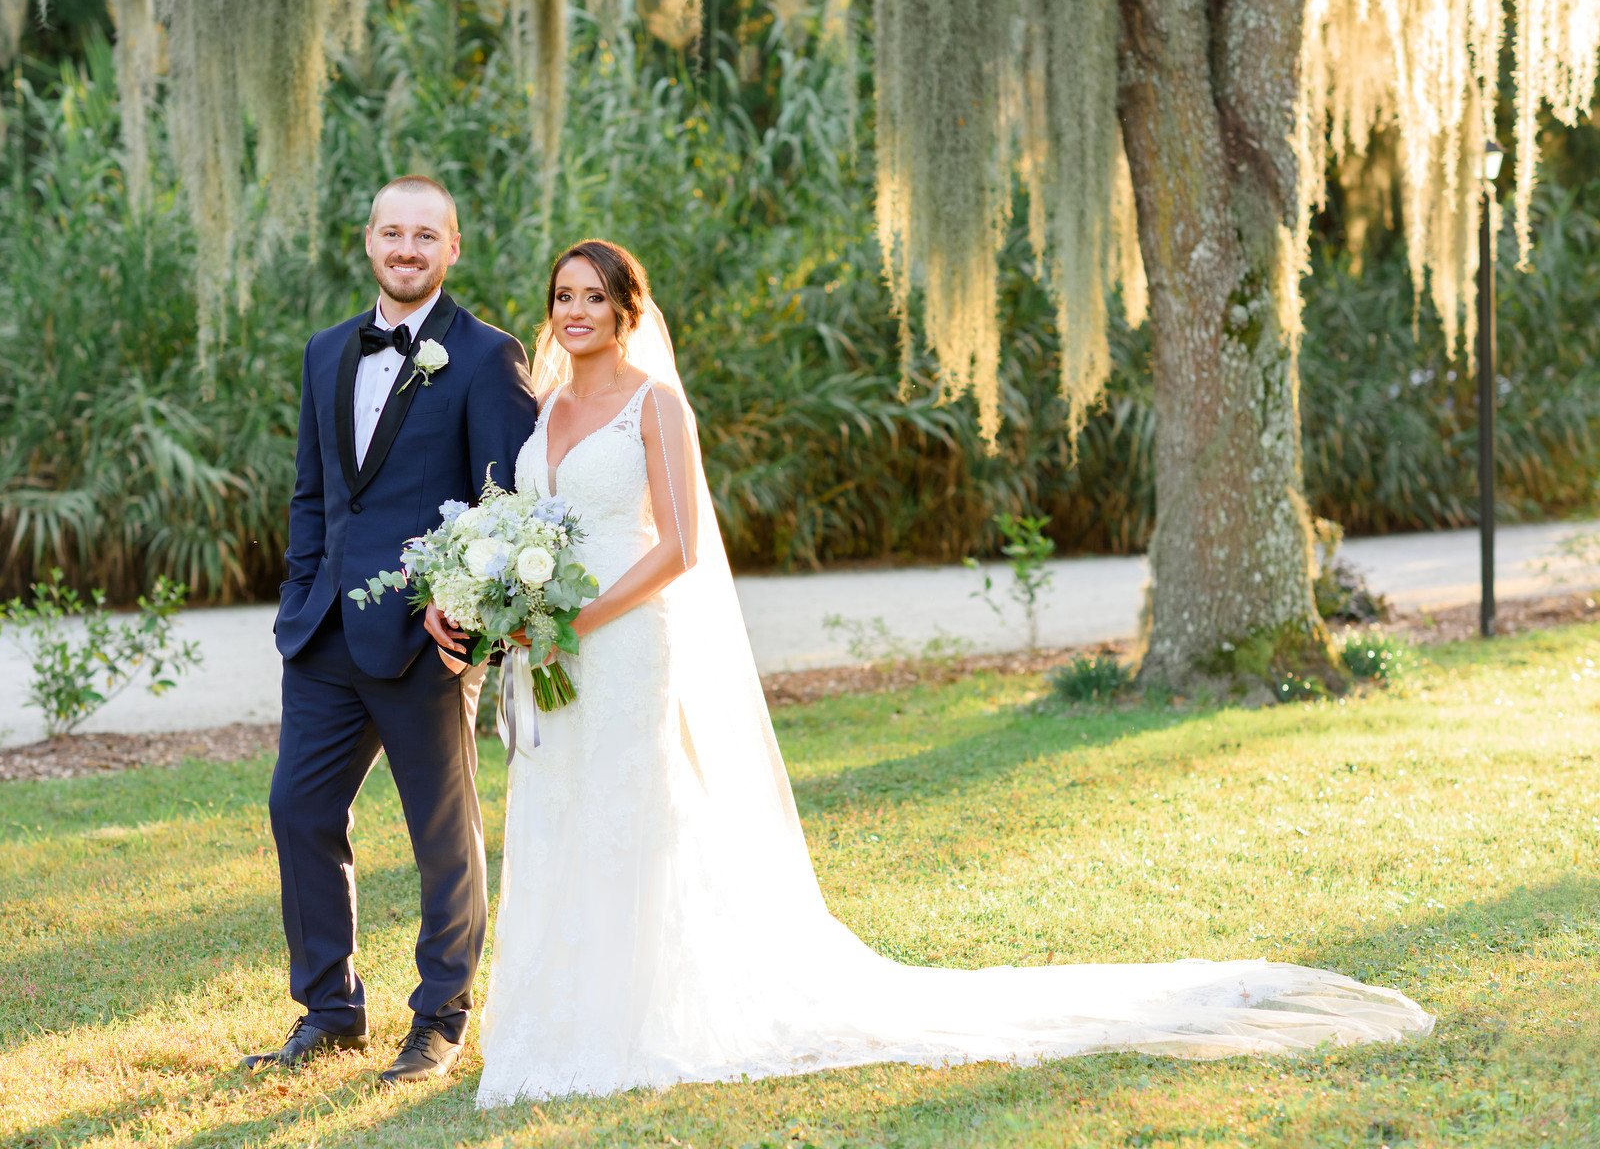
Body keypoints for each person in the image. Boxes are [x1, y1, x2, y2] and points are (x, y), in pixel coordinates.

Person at [471, 240, 1434, 1106]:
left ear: (628, 310)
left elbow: (680, 546)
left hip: (627, 639)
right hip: (550, 651)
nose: (573, 313)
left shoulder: (657, 403)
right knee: (558, 808)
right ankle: (555, 1013)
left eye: (594, 297)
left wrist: (580, 617)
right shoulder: (550, 404)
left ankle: (635, 1019)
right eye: (562, 296)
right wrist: (520, 613)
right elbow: (530, 527)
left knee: (629, 816)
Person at [248, 177, 535, 1084]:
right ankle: (330, 1011)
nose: (406, 250)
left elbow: (510, 506)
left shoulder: (487, 357)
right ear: (368, 241)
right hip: (324, 635)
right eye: (391, 234)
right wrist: (301, 591)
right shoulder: (327, 350)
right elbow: (312, 491)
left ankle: (439, 1019)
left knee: (440, 834)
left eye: (426, 236)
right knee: (298, 810)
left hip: (427, 640)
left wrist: (473, 620)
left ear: (452, 248)